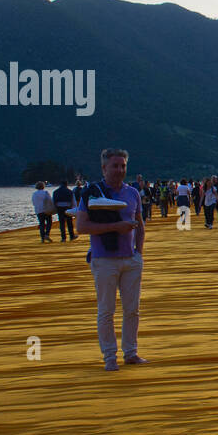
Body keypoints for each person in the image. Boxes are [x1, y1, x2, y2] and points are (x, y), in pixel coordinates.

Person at [75, 148, 146, 371]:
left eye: (123, 166)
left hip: (130, 259)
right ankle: (109, 356)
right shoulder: (92, 193)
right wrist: (116, 226)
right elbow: (81, 227)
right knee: (106, 310)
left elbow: (140, 224)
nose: (120, 170)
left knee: (132, 309)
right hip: (104, 259)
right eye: (115, 166)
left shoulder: (132, 193)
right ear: (104, 168)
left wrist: (139, 253)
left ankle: (131, 352)